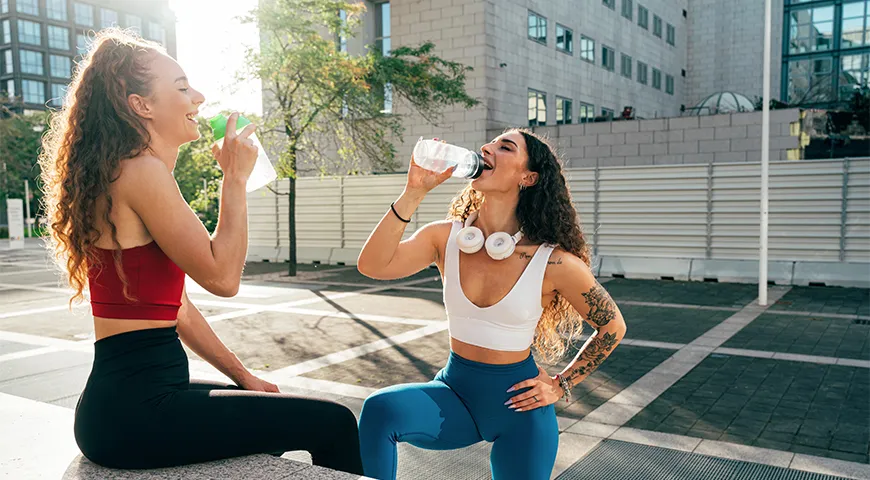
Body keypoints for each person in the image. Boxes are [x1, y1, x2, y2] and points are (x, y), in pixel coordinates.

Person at [38, 29, 363, 474]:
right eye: (182, 88)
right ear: (142, 106)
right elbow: (223, 278)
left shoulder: (120, 172)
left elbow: (180, 309)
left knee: (272, 420)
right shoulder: (141, 171)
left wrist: (243, 377)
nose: (200, 97)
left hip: (118, 407)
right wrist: (234, 178)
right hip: (138, 413)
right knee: (336, 422)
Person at [355, 130, 628, 480]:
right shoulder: (446, 237)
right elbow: (373, 265)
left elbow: (612, 326)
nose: (487, 148)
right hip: (454, 394)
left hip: (521, 409)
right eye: (490, 144)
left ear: (528, 177)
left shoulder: (554, 263)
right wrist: (414, 193)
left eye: (505, 147)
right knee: (380, 410)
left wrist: (561, 384)